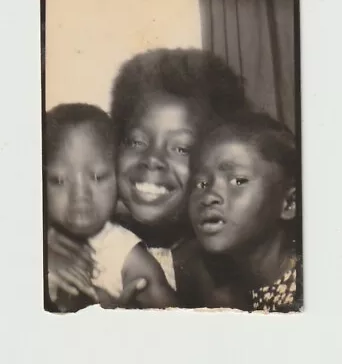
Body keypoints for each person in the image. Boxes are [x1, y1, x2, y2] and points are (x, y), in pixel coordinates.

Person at [48, 48, 247, 307]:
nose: (152, 159)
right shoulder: (84, 223)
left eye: (181, 148)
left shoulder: (212, 268)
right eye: (136, 141)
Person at [45, 103, 178, 312]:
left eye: (98, 177)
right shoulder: (30, 244)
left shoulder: (123, 251)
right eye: (59, 180)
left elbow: (173, 314)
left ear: (117, 179)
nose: (80, 196)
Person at [188, 111, 302, 312]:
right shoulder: (221, 293)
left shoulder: (313, 292)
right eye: (201, 183)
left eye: (238, 181)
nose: (208, 197)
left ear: (289, 203)